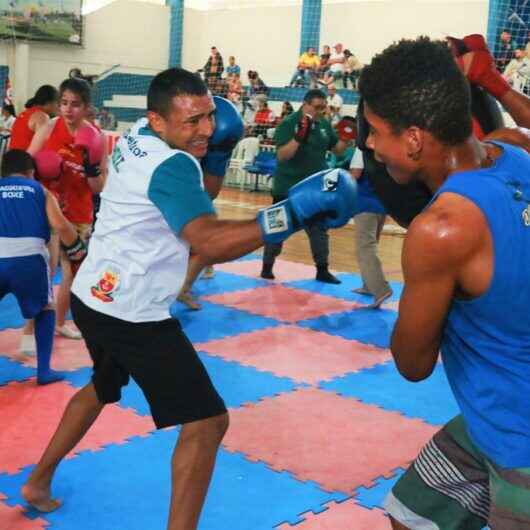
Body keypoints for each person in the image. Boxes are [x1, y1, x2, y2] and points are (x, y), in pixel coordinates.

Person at [20, 67, 357, 529]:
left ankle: (37, 480)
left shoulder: (137, 135)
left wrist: (211, 152)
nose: (206, 128)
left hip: (92, 297)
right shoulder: (172, 165)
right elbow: (208, 240)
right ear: (159, 120)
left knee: (101, 386)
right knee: (207, 422)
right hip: (132, 313)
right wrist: (293, 212)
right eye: (192, 121)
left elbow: (198, 197)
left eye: (209, 116)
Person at [359, 36, 530, 529]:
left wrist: (434, 287)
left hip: (518, 435)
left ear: (413, 139)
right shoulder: (515, 149)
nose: (369, 145)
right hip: (489, 417)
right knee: (412, 515)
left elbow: (412, 365)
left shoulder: (442, 229)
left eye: (374, 131)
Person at [28, 78, 107, 341]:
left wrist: (91, 166)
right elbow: (26, 166)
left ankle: (60, 323)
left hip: (79, 213)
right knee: (47, 267)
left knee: (72, 271)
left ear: (86, 107)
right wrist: (43, 172)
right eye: (63, 103)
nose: (68, 109)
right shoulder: (50, 128)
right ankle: (30, 329)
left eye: (75, 104)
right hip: (48, 209)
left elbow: (98, 188)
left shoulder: (97, 137)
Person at [0, 150, 86, 385]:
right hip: (28, 260)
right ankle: (44, 371)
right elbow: (60, 225)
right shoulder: (40, 190)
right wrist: (79, 252)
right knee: (46, 309)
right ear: (31, 173)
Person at [260, 88, 355, 283]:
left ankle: (322, 270)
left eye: (323, 107)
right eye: (317, 107)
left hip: (315, 189)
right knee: (277, 227)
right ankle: (267, 266)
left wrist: (347, 136)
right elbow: (282, 155)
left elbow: (337, 151)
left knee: (319, 229)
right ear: (305, 104)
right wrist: (298, 137)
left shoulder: (324, 124)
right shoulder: (288, 123)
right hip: (288, 186)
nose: (320, 111)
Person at [10, 84, 59, 355]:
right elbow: (32, 152)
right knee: (43, 257)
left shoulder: (21, 114)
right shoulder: (42, 118)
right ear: (50, 103)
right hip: (29, 185)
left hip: (9, 181)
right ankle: (30, 334)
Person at [349, 146, 392, 308]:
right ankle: (368, 285)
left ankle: (380, 289)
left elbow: (355, 175)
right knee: (371, 245)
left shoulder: (362, 149)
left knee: (365, 248)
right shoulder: (388, 148)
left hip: (365, 204)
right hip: (382, 204)